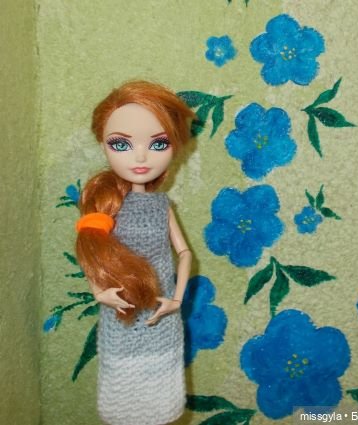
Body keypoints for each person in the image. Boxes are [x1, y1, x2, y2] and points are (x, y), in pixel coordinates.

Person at [75, 80, 195, 425]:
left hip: (161, 312)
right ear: (104, 144)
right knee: (123, 389)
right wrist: (100, 292)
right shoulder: (106, 204)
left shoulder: (161, 205)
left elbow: (185, 253)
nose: (141, 156)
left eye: (158, 143)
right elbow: (92, 252)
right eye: (121, 144)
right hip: (123, 310)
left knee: (161, 393)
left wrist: (176, 299)